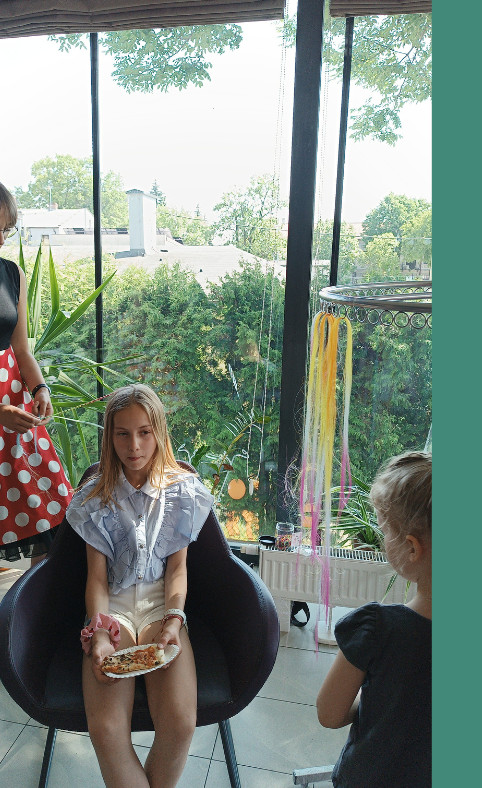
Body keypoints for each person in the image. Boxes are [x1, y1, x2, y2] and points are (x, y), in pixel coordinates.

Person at [67, 384, 214, 788]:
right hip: (111, 607)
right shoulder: (94, 498)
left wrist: (174, 619)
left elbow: (177, 571)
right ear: (110, 438)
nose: (134, 445)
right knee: (107, 730)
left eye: (144, 432)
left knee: (180, 724)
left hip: (160, 606)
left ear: (159, 432)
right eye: (123, 434)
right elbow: (97, 579)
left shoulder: (182, 492)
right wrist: (100, 633)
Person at [317, 451, 432, 788]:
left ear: (411, 548)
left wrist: (381, 705)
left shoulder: (377, 629)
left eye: (384, 531)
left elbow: (330, 713)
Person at [0, 180, 72, 566]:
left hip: (15, 408)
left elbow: (21, 349)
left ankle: (34, 601)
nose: (0, 239)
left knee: (50, 508)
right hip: (3, 411)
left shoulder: (12, 275)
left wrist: (40, 387)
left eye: (5, 230)